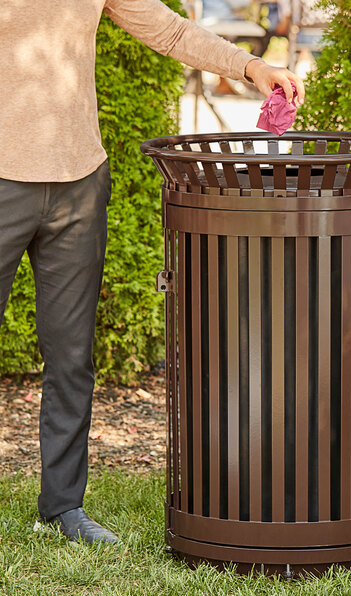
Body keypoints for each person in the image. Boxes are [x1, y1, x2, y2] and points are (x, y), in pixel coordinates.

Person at [0, 0, 304, 546]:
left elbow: (165, 28)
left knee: (72, 356)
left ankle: (64, 506)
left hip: (79, 179)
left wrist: (252, 67)